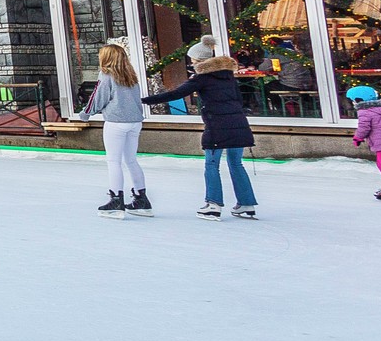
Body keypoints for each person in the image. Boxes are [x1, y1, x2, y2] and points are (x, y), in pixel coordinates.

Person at [143, 54, 259, 220]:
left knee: (212, 164)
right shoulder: (228, 77)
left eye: (193, 59)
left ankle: (213, 204)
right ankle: (246, 204)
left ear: (201, 61)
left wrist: (145, 100)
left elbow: (176, 94)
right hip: (239, 125)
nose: (191, 62)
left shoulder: (201, 78)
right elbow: (240, 101)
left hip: (217, 127)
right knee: (236, 163)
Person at [84, 44, 150, 218]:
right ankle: (141, 199)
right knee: (131, 160)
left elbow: (98, 97)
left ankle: (116, 199)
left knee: (113, 161)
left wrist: (86, 113)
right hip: (135, 122)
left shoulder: (106, 75)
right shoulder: (131, 75)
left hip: (116, 122)